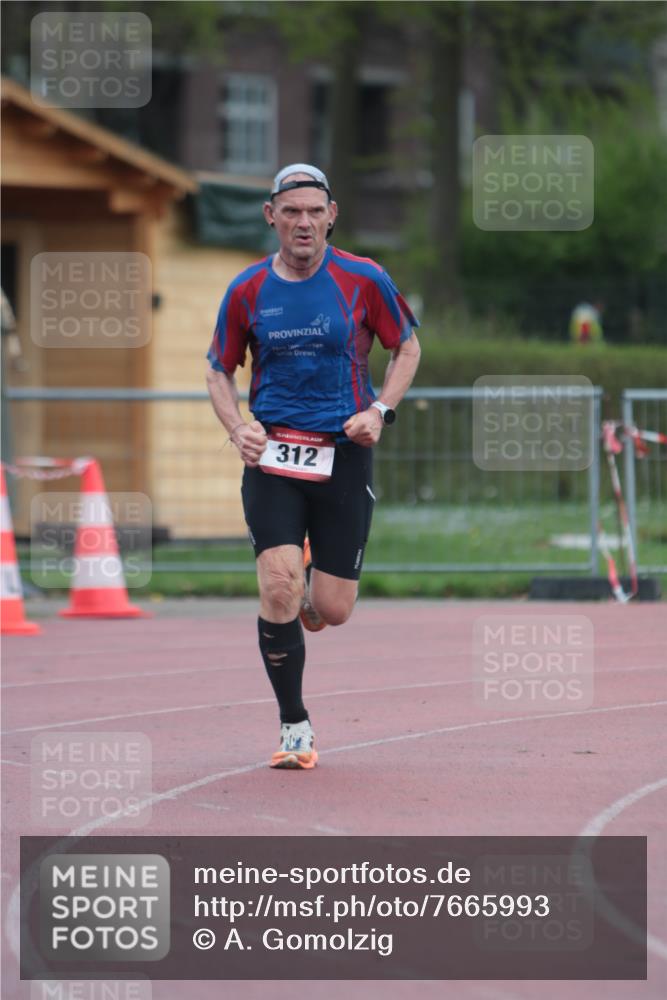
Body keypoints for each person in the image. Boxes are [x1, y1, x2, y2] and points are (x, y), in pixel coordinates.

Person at [206, 163, 421, 769]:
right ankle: (294, 724)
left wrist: (380, 409)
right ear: (271, 216)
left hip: (344, 453)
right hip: (273, 453)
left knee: (332, 610)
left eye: (314, 211)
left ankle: (310, 579)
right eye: (291, 210)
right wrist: (238, 428)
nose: (303, 222)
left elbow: (407, 344)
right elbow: (217, 368)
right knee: (276, 586)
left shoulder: (363, 278)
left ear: (332, 215)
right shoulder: (247, 289)